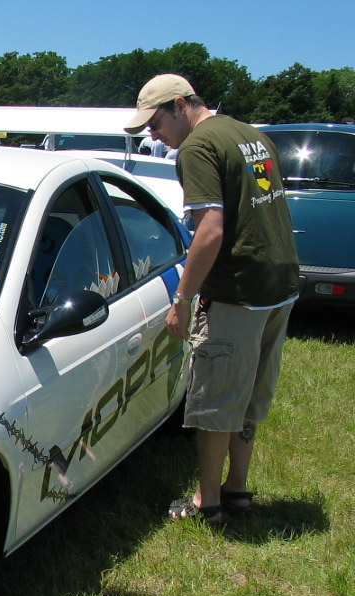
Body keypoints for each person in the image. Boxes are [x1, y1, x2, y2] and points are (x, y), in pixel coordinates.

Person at [124, 74, 299, 524]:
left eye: (156, 122)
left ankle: (209, 502)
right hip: (279, 286)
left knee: (218, 397)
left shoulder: (198, 147)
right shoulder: (250, 135)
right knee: (250, 394)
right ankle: (237, 490)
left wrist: (182, 300)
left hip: (239, 292)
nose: (152, 134)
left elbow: (211, 230)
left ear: (181, 105)